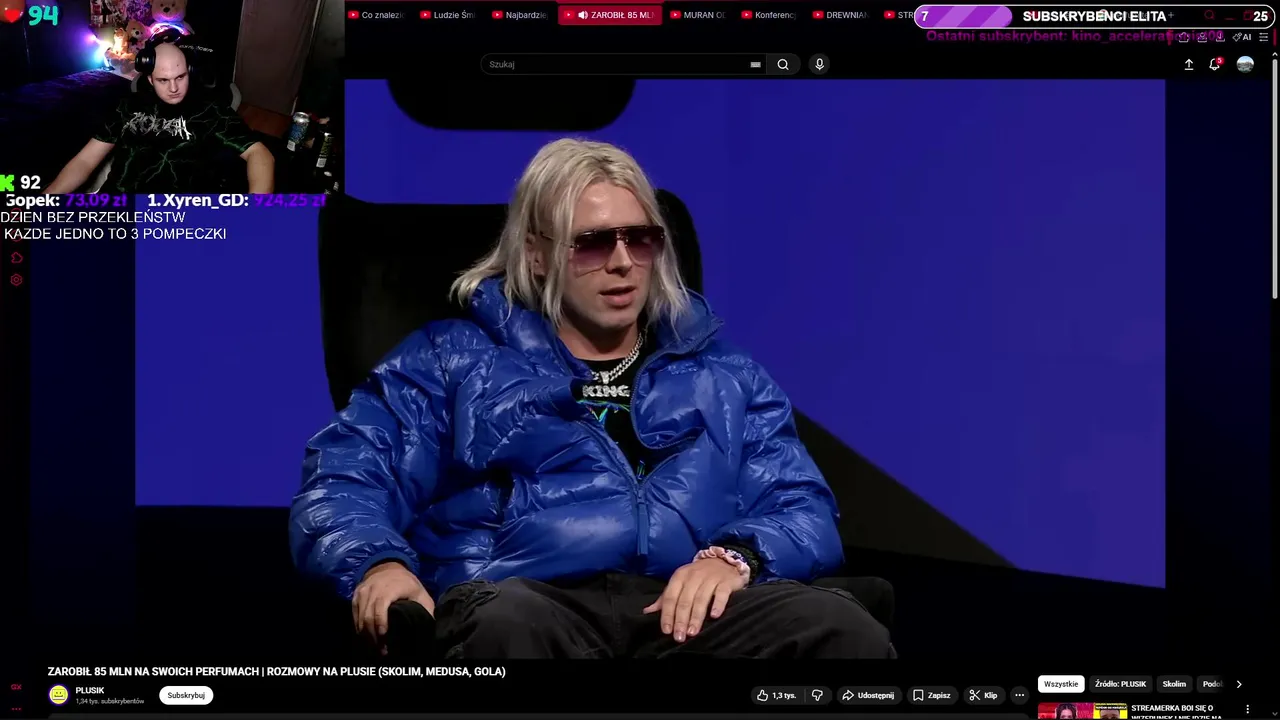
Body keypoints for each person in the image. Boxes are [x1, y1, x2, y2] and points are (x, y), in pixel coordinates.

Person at [290, 138, 894, 659]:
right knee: (509, 625)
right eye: (594, 243)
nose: (624, 263)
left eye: (641, 239)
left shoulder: (725, 373)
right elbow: (344, 478)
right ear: (536, 253)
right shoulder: (451, 360)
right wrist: (378, 564)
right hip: (527, 600)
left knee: (840, 627)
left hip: (683, 614)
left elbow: (802, 505)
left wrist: (733, 558)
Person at [45, 39, 273, 194]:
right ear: (150, 80)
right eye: (163, 80)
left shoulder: (211, 110)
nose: (174, 88)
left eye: (180, 77)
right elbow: (85, 160)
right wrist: (45, 200)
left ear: (189, 72)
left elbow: (260, 154)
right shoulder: (128, 106)